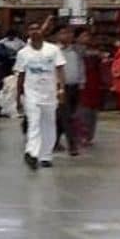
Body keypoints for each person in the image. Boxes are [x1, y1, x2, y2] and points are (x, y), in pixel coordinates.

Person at [15, 22, 66, 170]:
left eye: (37, 28)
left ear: (42, 31)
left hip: (50, 93)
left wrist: (62, 89)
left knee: (48, 124)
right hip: (31, 94)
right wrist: (18, 96)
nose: (35, 31)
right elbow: (20, 75)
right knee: (34, 122)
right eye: (31, 29)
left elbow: (60, 69)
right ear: (27, 32)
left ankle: (46, 156)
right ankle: (31, 153)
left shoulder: (53, 50)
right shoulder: (23, 53)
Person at [54, 26, 85, 156]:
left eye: (69, 33)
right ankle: (72, 145)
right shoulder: (54, 51)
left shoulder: (76, 50)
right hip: (60, 87)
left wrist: (82, 81)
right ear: (57, 36)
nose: (67, 35)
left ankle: (54, 141)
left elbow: (80, 66)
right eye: (63, 33)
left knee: (65, 115)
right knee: (67, 116)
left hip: (74, 86)